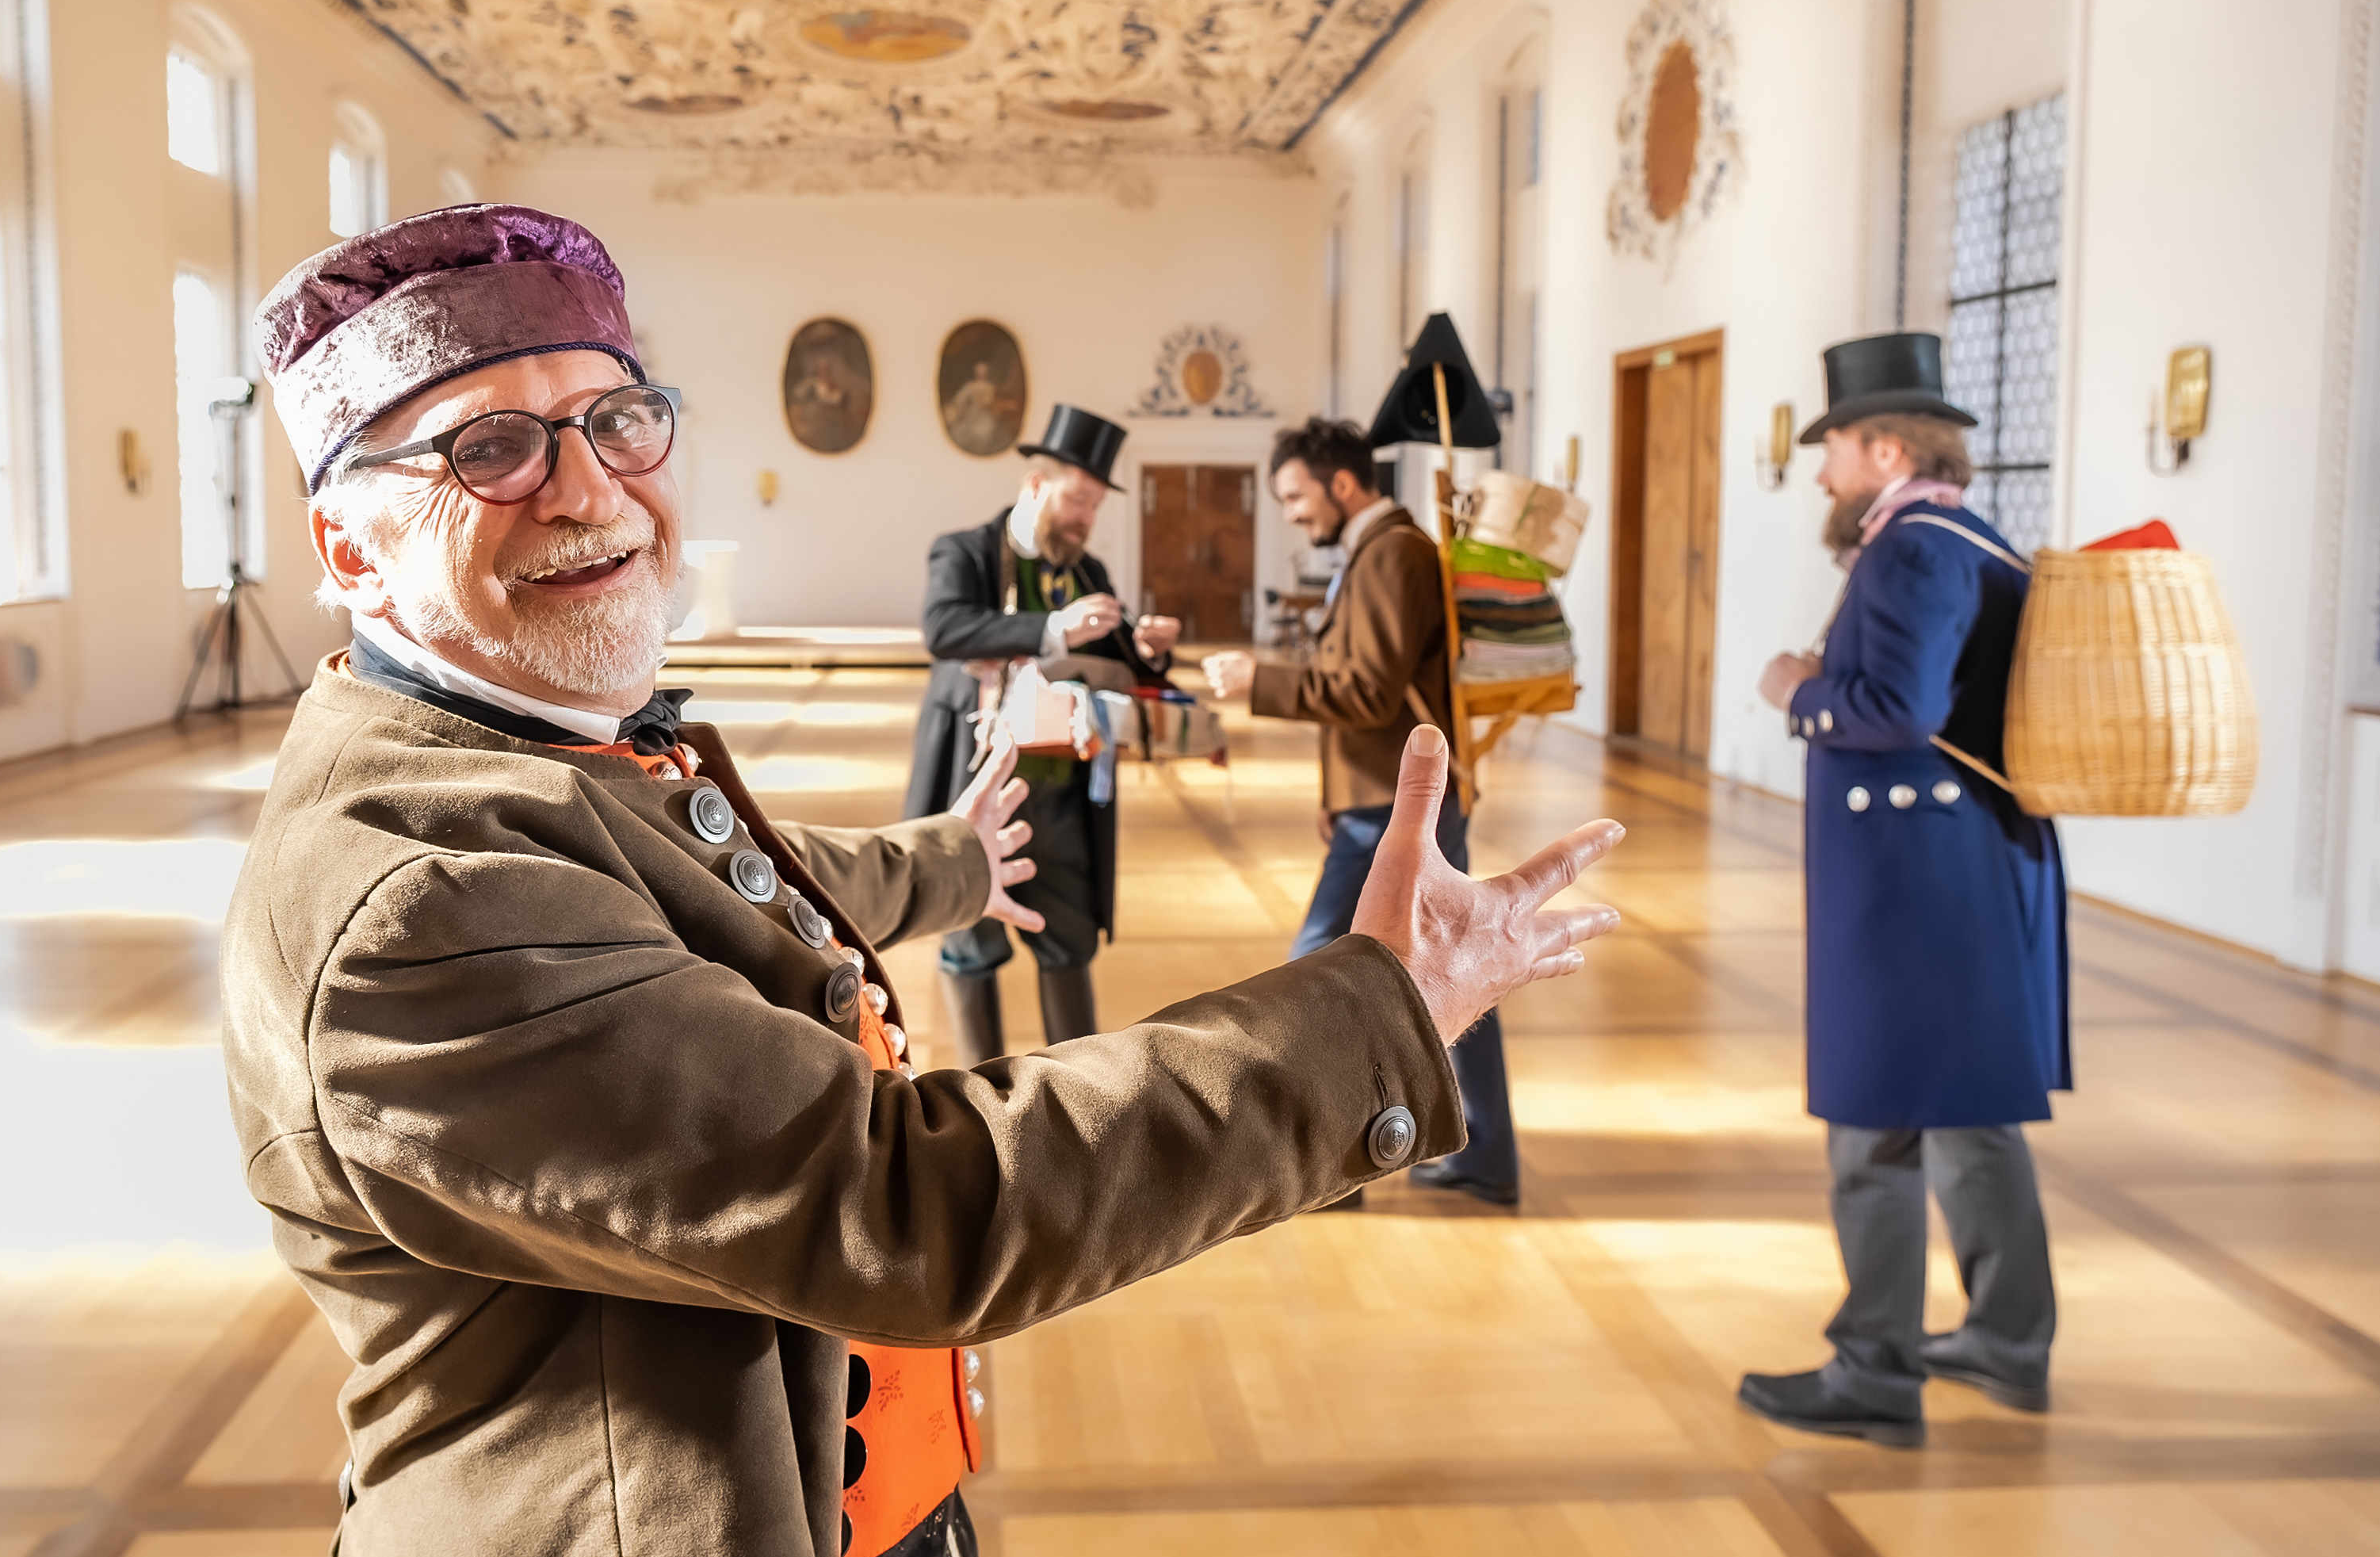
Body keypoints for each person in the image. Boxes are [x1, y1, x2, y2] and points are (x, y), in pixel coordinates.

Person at [224, 204, 1629, 1555]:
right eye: (493, 448)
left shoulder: (526, 745)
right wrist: (1371, 1018)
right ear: (348, 547)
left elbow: (700, 892)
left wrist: (950, 859)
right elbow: (904, 1204)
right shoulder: (417, 904)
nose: (590, 487)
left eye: (615, 419)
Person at [1740, 331, 2069, 1448]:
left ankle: (1875, 1370)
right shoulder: (1965, 535)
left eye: (1832, 445)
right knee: (1972, 1112)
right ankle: (2007, 1341)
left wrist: (1798, 690)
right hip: (1964, 865)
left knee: (1874, 1119)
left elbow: (1894, 709)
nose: (1821, 468)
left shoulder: (1910, 549)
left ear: (1882, 449)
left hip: (1916, 887)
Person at [1201, 416, 1522, 1207]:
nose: (1291, 512)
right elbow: (1364, 681)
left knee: (1322, 969)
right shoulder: (1379, 551)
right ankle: (1480, 1148)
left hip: (1396, 804)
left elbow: (1367, 690)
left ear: (1341, 483)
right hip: (1377, 801)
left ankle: (1332, 1163)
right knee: (1447, 965)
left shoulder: (1392, 553)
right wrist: (1332, 795)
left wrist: (1258, 683)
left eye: (1294, 495)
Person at [907, 405, 1179, 1063]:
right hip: (980, 789)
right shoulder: (965, 550)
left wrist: (1151, 649)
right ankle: (980, 1104)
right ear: (1035, 485)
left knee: (1069, 940)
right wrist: (1052, 629)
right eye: (1076, 500)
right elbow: (944, 629)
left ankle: (1077, 1102)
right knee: (970, 942)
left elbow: (1122, 657)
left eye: (1094, 506)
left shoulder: (1089, 575)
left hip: (1062, 799)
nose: (1086, 518)